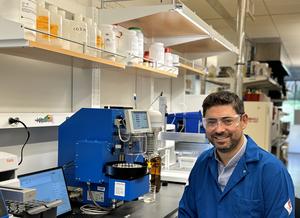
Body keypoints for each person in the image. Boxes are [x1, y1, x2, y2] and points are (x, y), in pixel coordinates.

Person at [178, 91, 295, 217]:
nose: (219, 129)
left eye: (227, 121)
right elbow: (187, 212)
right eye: (211, 122)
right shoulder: (202, 162)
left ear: (244, 121)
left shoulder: (272, 171)